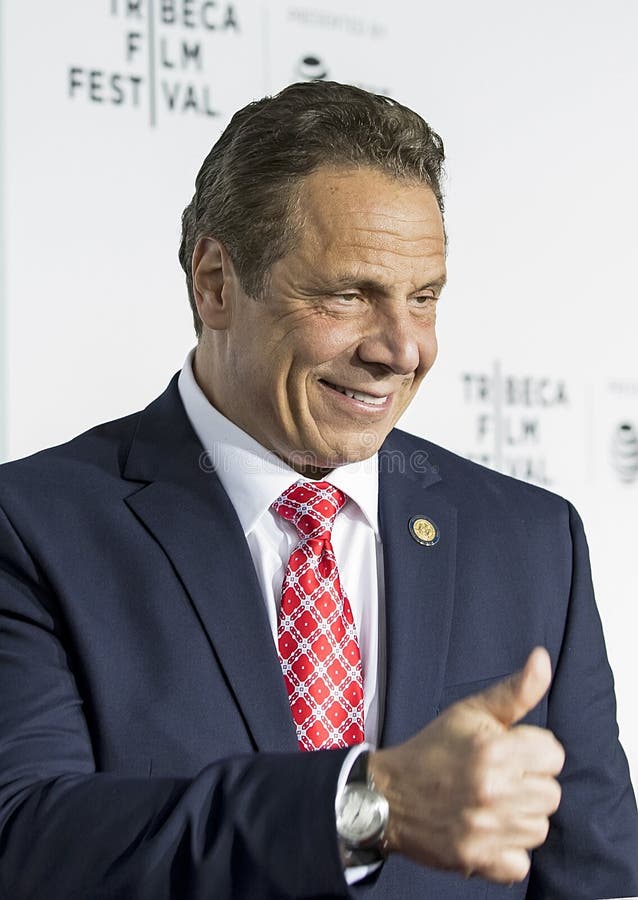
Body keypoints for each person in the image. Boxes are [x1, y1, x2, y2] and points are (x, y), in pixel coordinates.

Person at [0, 81, 636, 900]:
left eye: (424, 298)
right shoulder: (32, 529)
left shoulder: (532, 540)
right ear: (216, 283)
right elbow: (23, 841)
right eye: (349, 295)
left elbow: (593, 875)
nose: (403, 349)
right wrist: (366, 806)